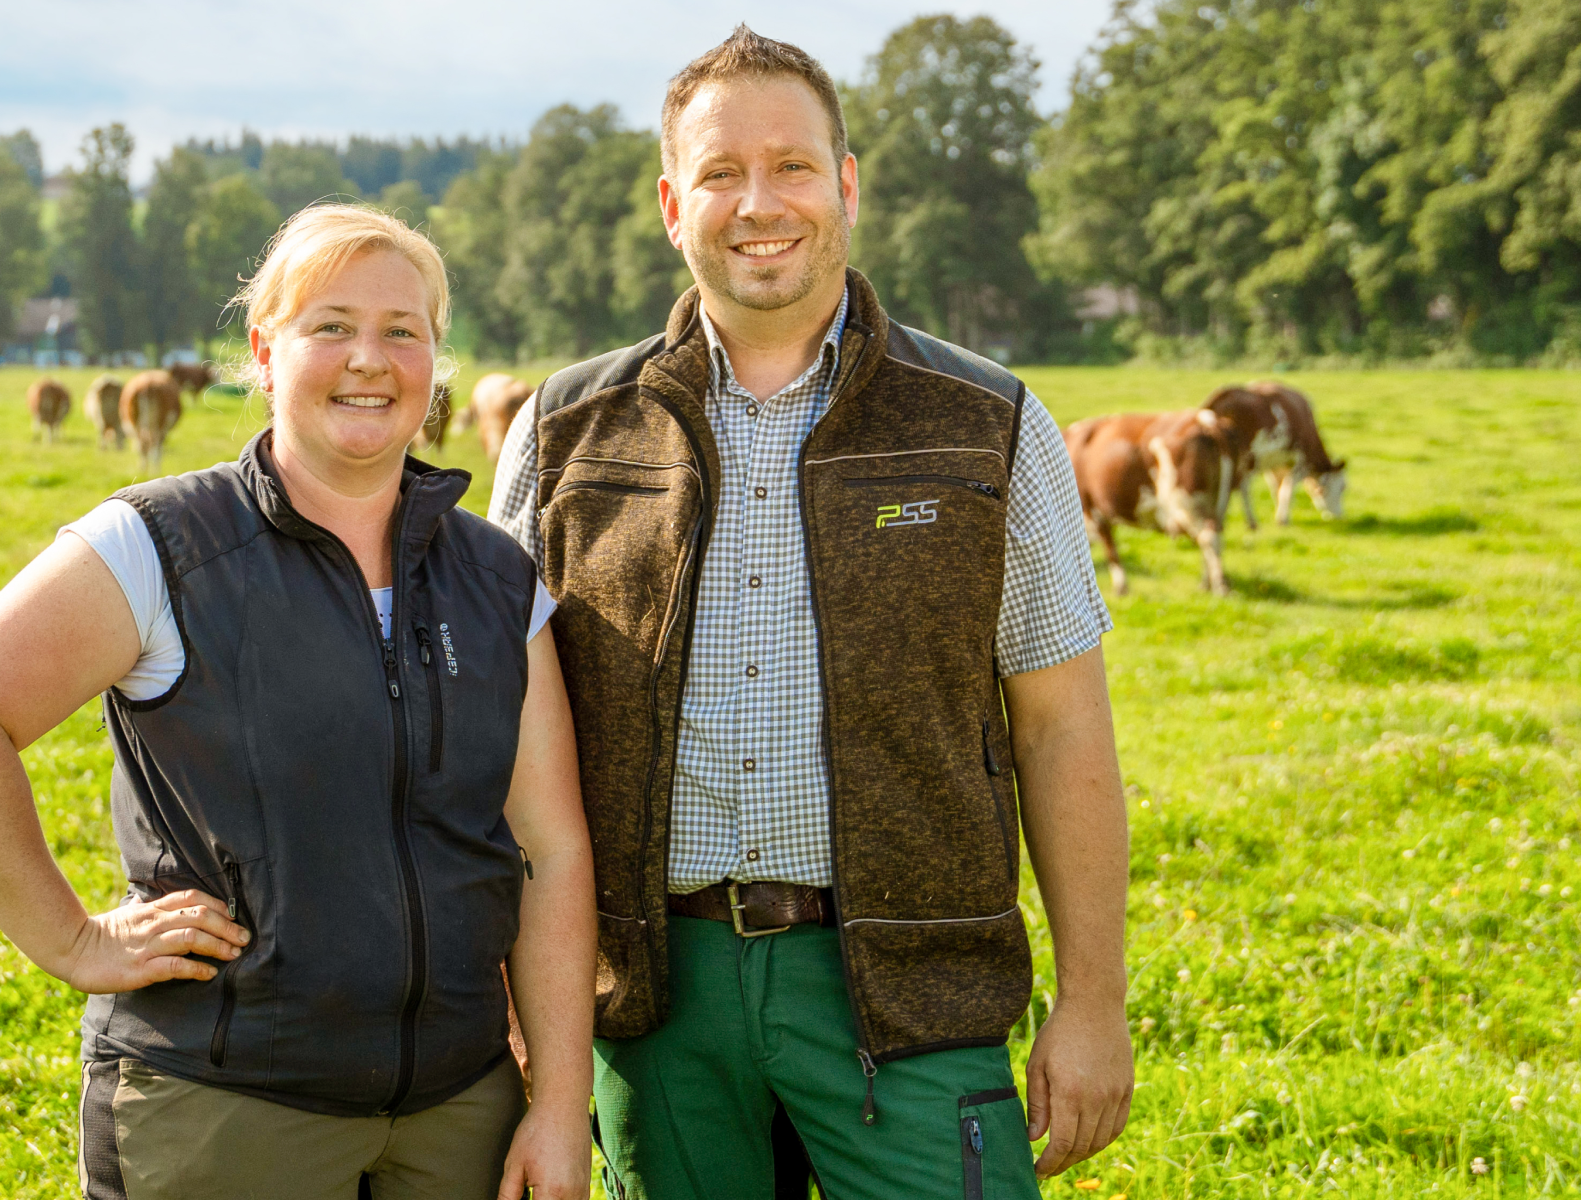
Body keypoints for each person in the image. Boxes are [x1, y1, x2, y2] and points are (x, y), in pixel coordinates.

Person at [485, 26, 1134, 1200]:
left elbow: (1061, 728)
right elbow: (497, 751)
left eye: (791, 166)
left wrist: (1092, 1004)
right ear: (673, 202)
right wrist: (524, 1004)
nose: (758, 202)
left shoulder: (985, 421)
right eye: (722, 173)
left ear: (845, 184)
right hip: (653, 1000)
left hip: (912, 992)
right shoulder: (563, 430)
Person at [0, 204, 595, 1200]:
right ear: (266, 351)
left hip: (459, 1111)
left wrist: (561, 1104)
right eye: (331, 326)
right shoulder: (159, 545)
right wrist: (70, 941)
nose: (370, 359)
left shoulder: (497, 579)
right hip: (224, 1112)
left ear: (436, 361)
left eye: (403, 331)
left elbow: (551, 848)